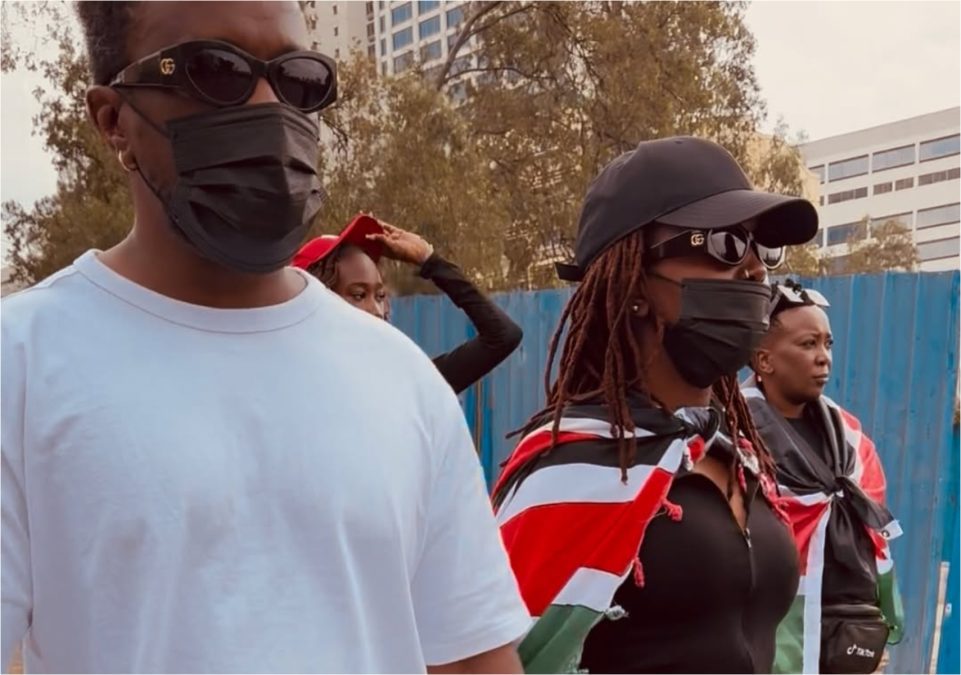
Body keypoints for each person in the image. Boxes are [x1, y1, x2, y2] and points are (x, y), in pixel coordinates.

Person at [0, 2, 530, 673]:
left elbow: (471, 659)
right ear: (113, 119)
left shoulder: (400, 376)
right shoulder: (22, 365)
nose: (266, 104)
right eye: (215, 70)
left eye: (296, 78)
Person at [490, 136, 820, 673]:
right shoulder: (572, 474)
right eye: (725, 244)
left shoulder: (738, 458)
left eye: (763, 249)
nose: (757, 269)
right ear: (634, 282)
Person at [744, 280, 904, 675]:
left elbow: (877, 545)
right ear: (765, 360)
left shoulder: (851, 439)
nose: (823, 358)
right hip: (768, 638)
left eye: (827, 344)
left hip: (848, 641)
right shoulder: (735, 437)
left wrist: (878, 625)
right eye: (807, 344)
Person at [293, 214, 523, 394]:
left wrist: (430, 261)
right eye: (359, 295)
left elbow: (503, 336)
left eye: (381, 296)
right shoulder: (288, 389)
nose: (377, 311)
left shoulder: (403, 385)